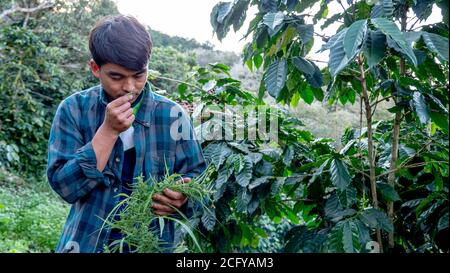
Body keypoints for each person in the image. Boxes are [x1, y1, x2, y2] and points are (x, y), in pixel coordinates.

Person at [46, 15, 206, 253]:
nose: (130, 88)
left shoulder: (172, 115)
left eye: (139, 75)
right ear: (95, 68)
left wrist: (183, 197)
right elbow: (65, 188)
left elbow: (197, 179)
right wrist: (108, 131)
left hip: (150, 245)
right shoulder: (74, 109)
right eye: (117, 77)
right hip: (86, 244)